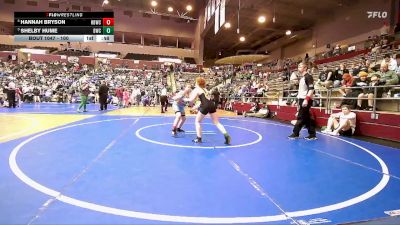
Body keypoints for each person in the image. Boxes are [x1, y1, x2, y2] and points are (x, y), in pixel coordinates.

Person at [185, 77, 231, 144]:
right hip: (212, 104)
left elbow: (191, 100)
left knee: (197, 121)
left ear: (197, 83)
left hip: (205, 105)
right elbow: (205, 99)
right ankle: (226, 135)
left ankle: (199, 138)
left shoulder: (197, 89)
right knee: (216, 122)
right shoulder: (205, 89)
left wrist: (183, 99)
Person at [288, 62, 317, 140]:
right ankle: (312, 134)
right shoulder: (302, 78)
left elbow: (311, 89)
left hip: (305, 100)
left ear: (305, 68)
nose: (298, 68)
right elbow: (301, 91)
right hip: (301, 99)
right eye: (298, 67)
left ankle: (296, 133)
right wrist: (296, 100)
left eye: (300, 67)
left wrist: (306, 100)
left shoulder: (308, 77)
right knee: (307, 117)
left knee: (300, 116)